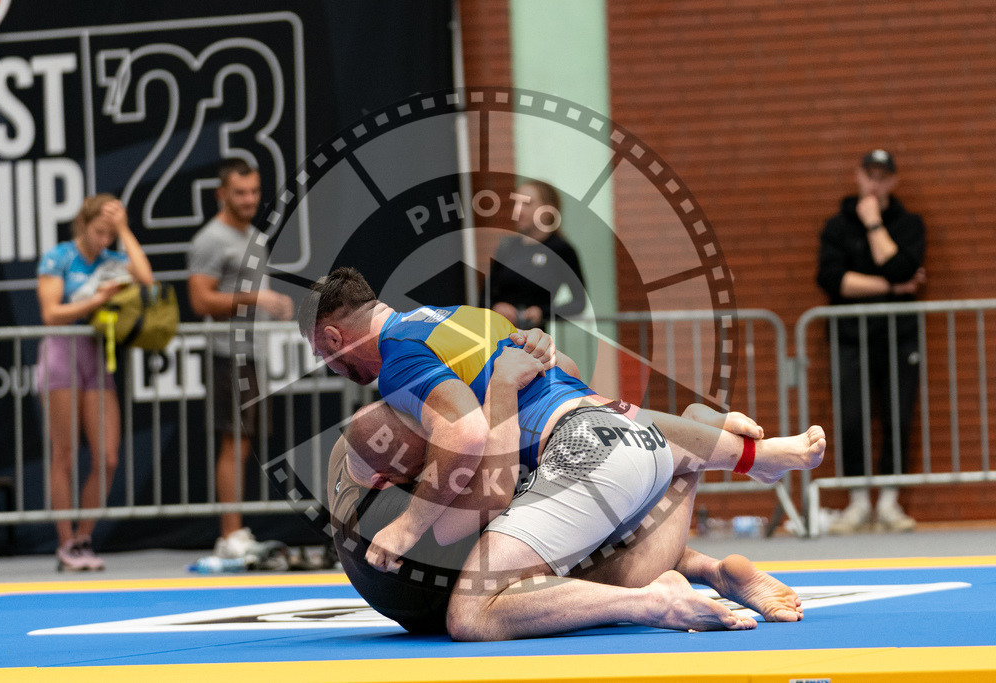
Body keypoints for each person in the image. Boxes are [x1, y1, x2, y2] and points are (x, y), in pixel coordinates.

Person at [299, 267, 826, 639]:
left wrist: (407, 526)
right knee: (614, 561)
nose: (330, 367)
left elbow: (469, 439)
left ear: (332, 337)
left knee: (472, 613)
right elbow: (566, 369)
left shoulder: (398, 361)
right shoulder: (461, 317)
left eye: (323, 355)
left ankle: (654, 603)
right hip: (628, 427)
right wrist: (533, 359)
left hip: (583, 448)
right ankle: (717, 453)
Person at [37, 195, 154, 571]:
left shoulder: (111, 260)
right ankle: (65, 543)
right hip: (61, 352)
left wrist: (124, 230)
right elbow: (51, 313)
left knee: (107, 456)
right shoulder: (59, 257)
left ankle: (84, 537)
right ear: (82, 225)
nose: (104, 240)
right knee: (64, 453)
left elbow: (147, 280)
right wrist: (96, 300)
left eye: (110, 234)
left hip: (96, 355)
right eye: (99, 231)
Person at [187, 159, 294, 558]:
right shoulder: (210, 240)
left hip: (253, 352)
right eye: (240, 192)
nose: (249, 199)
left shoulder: (253, 236)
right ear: (221, 194)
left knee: (244, 443)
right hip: (228, 354)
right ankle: (230, 534)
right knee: (233, 443)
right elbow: (200, 301)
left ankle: (235, 532)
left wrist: (270, 305)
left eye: (254, 191)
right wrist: (256, 298)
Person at [817, 149, 927, 534]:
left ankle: (890, 503)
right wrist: (893, 287)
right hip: (850, 339)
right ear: (858, 176)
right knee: (851, 418)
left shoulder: (908, 223)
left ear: (893, 181)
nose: (875, 184)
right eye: (870, 176)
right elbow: (834, 280)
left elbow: (902, 266)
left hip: (898, 337)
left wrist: (874, 223)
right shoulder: (837, 226)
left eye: (883, 177)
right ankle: (859, 502)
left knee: (898, 415)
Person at [486, 180, 586, 329]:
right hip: (497, 333)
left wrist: (542, 312)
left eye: (527, 203)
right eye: (516, 203)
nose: (518, 211)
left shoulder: (560, 249)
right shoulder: (507, 247)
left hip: (533, 336)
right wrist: (496, 306)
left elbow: (579, 302)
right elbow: (484, 296)